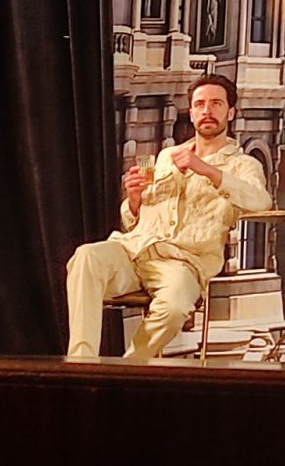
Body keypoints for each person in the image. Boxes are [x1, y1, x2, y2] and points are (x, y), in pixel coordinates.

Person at [66, 74, 272, 359]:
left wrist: (207, 170)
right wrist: (134, 200)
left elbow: (260, 202)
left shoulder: (242, 164)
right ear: (192, 112)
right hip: (135, 249)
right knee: (86, 257)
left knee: (174, 307)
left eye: (216, 104)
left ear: (231, 112)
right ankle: (81, 363)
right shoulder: (167, 157)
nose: (207, 111)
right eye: (200, 104)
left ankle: (127, 369)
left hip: (183, 262)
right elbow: (133, 220)